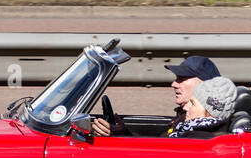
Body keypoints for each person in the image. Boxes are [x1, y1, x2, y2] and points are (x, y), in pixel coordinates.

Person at [91, 54, 223, 136]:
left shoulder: (198, 126)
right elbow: (159, 144)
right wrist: (122, 133)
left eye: (181, 79)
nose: (174, 84)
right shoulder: (184, 119)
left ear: (204, 86)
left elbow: (159, 154)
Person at [164, 75, 238, 137]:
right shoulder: (189, 129)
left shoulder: (196, 138)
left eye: (193, 103)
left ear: (209, 112)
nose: (186, 108)